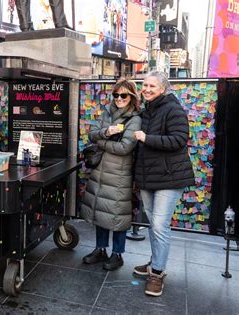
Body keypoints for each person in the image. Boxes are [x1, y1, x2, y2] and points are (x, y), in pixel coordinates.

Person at [132, 71, 194, 297]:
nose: (147, 89)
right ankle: (154, 262)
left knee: (159, 225)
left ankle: (157, 274)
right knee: (154, 224)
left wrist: (147, 138)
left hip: (170, 178)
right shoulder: (147, 110)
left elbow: (179, 140)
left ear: (163, 89)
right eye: (145, 85)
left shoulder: (172, 108)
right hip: (149, 178)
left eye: (152, 86)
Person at [81, 79, 142, 271]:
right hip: (100, 171)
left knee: (117, 215)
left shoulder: (135, 118)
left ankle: (117, 254)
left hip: (119, 174)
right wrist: (106, 132)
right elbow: (92, 134)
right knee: (101, 212)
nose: (119, 99)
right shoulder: (107, 111)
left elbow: (125, 147)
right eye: (116, 95)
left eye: (124, 95)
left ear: (131, 96)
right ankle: (100, 249)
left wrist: (102, 142)